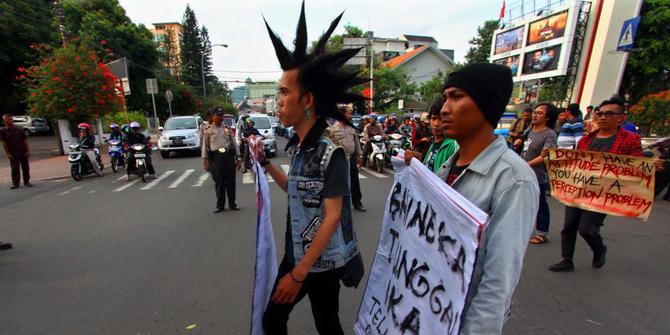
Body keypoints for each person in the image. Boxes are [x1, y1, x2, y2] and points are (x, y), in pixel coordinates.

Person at [260, 6, 363, 334]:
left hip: (320, 264)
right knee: (299, 321)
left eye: (284, 92)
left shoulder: (331, 151)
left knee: (301, 322)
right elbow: (294, 188)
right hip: (298, 254)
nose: (279, 100)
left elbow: (332, 217)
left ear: (307, 100)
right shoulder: (299, 145)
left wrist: (298, 273)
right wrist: (265, 164)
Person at [432, 63, 539, 333]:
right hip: (432, 310)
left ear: (485, 104)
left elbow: (498, 280)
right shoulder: (448, 166)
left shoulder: (514, 179)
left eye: (456, 97)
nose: (445, 109)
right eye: (445, 98)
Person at [548, 96, 664, 272]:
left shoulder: (630, 139)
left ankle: (599, 248)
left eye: (609, 114)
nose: (603, 117)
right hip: (579, 189)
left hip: (605, 193)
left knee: (586, 229)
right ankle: (567, 259)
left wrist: (651, 165)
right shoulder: (586, 140)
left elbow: (636, 163)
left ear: (621, 118)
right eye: (600, 114)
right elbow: (575, 162)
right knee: (569, 226)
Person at [517, 102, 558, 244]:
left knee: (540, 204)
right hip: (522, 173)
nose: (535, 115)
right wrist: (518, 140)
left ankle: (542, 232)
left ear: (547, 117)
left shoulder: (549, 134)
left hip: (536, 175)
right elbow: (522, 139)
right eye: (535, 112)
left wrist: (528, 164)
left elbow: (546, 155)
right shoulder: (531, 129)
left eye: (539, 113)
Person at [404, 96, 458, 174]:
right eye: (433, 118)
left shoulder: (452, 146)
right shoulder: (433, 144)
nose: (436, 124)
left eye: (441, 119)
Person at [202, 109, 241, 213]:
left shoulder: (227, 129)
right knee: (219, 182)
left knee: (231, 182)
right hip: (216, 157)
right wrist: (205, 161)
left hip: (228, 156)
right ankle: (220, 205)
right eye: (218, 115)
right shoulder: (208, 130)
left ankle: (233, 204)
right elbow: (205, 146)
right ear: (213, 116)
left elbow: (234, 144)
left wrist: (238, 158)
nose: (221, 117)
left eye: (222, 115)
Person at [328, 106, 366, 212]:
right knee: (339, 181)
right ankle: (339, 203)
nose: (350, 115)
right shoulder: (332, 129)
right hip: (339, 158)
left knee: (354, 179)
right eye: (349, 113)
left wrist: (360, 155)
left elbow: (356, 142)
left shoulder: (352, 128)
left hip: (351, 157)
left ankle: (357, 201)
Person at [1, 114, 31, 189]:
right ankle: (15, 184)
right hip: (12, 153)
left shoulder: (20, 129)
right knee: (15, 169)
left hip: (22, 151)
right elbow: (4, 143)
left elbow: (24, 141)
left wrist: (28, 151)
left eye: (11, 119)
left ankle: (27, 181)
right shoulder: (3, 131)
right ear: (4, 121)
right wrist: (8, 153)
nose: (10, 121)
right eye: (8, 119)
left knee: (25, 168)